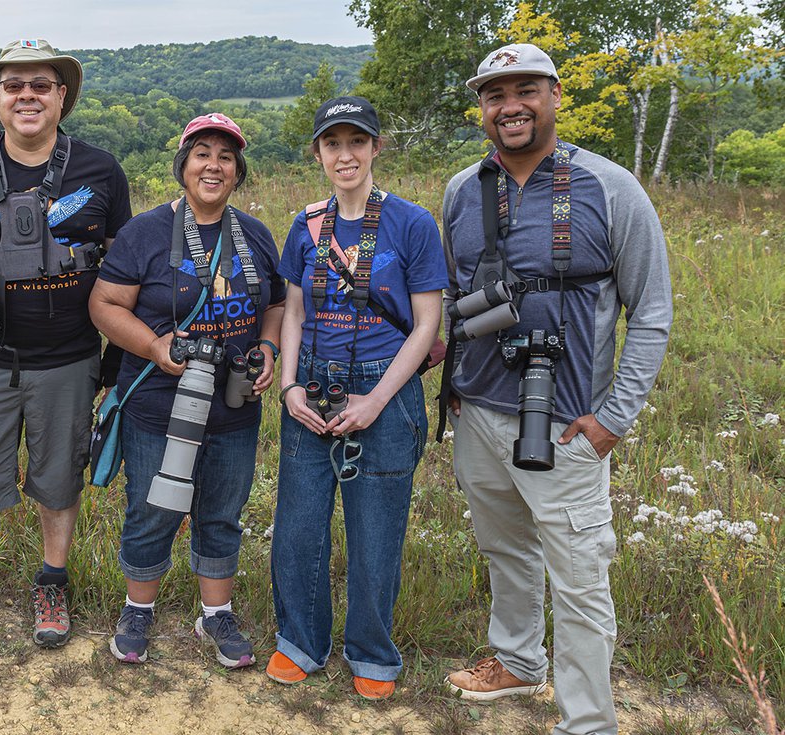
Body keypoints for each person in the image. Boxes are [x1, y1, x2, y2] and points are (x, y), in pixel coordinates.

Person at [440, 44, 672, 734]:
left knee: (579, 579)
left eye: (525, 90)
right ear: (481, 108)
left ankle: (588, 720)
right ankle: (517, 661)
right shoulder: (461, 188)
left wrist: (613, 417)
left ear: (554, 95)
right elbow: (455, 297)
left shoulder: (609, 187)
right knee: (505, 548)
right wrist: (451, 381)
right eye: (494, 93)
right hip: (478, 411)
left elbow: (652, 310)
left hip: (570, 422)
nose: (509, 105)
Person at [0, 39, 131, 650]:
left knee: (59, 479)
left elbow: (122, 274)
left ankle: (52, 583)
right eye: (14, 85)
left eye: (42, 84)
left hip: (70, 357)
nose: (28, 95)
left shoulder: (100, 169)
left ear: (62, 96)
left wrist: (114, 366)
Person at [88, 113, 285, 669]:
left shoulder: (255, 234)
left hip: (233, 404)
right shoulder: (145, 233)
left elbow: (274, 303)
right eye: (202, 153)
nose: (213, 165)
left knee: (221, 510)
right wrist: (154, 347)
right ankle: (137, 610)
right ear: (183, 165)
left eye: (225, 156)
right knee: (153, 509)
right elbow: (103, 305)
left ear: (238, 171)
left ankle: (215, 614)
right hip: (155, 403)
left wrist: (267, 349)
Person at [267, 96, 447, 699]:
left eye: (357, 142)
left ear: (376, 148)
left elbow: (426, 326)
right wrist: (289, 384)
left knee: (375, 529)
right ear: (318, 152)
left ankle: (372, 652)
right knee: (299, 523)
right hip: (312, 385)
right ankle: (300, 641)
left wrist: (375, 400)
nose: (345, 155)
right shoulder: (307, 224)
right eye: (332, 144)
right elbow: (292, 310)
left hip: (385, 390)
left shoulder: (413, 223)